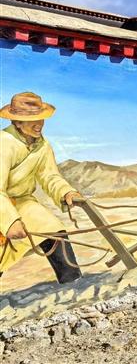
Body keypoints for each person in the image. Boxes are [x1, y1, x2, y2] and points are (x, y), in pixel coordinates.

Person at [0, 92, 84, 284]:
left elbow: (49, 175)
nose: (39, 124)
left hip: (22, 201)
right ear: (17, 122)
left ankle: (73, 282)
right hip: (2, 204)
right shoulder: (3, 143)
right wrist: (10, 221)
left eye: (40, 118)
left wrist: (66, 192)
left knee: (53, 229)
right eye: (32, 120)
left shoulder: (42, 145)